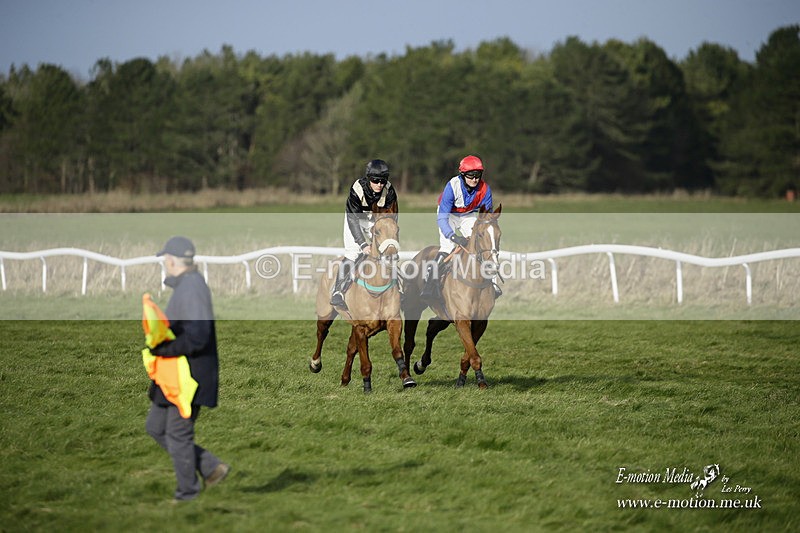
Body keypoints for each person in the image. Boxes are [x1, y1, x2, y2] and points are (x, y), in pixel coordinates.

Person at [145, 236, 230, 502]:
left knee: (177, 434)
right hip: (174, 375)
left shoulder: (192, 288)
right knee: (156, 427)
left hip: (188, 378)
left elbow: (198, 336)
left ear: (170, 261)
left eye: (165, 261)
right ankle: (210, 467)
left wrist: (162, 349)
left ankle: (187, 495)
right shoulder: (186, 286)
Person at [421, 155, 502, 299]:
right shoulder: (452, 186)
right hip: (448, 215)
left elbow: (487, 219)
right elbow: (442, 218)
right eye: (471, 175)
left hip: (467, 215)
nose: (475, 179)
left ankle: (493, 283)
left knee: (482, 244)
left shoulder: (485, 189)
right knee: (447, 247)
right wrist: (453, 236)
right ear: (463, 174)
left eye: (478, 175)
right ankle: (429, 283)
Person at [330, 159, 398, 308]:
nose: (380, 184)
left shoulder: (389, 190)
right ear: (369, 179)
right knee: (353, 253)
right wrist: (362, 244)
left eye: (383, 181)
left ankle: (398, 288)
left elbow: (392, 218)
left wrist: (390, 237)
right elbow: (353, 220)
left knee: (387, 252)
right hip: (355, 221)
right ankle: (338, 291)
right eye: (375, 181)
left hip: (375, 222)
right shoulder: (357, 189)